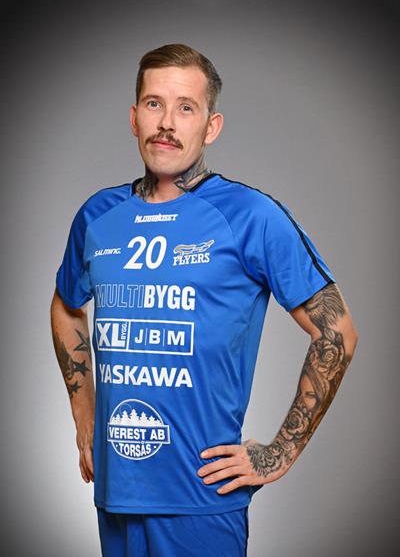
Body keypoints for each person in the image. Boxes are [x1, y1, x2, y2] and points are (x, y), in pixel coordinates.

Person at [50, 43, 358, 556]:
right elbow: (66, 305)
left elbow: (337, 332)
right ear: (134, 117)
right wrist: (85, 414)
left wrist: (280, 452)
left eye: (186, 108)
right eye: (154, 104)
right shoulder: (97, 215)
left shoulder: (250, 215)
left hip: (201, 501)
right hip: (117, 490)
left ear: (211, 126)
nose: (167, 123)